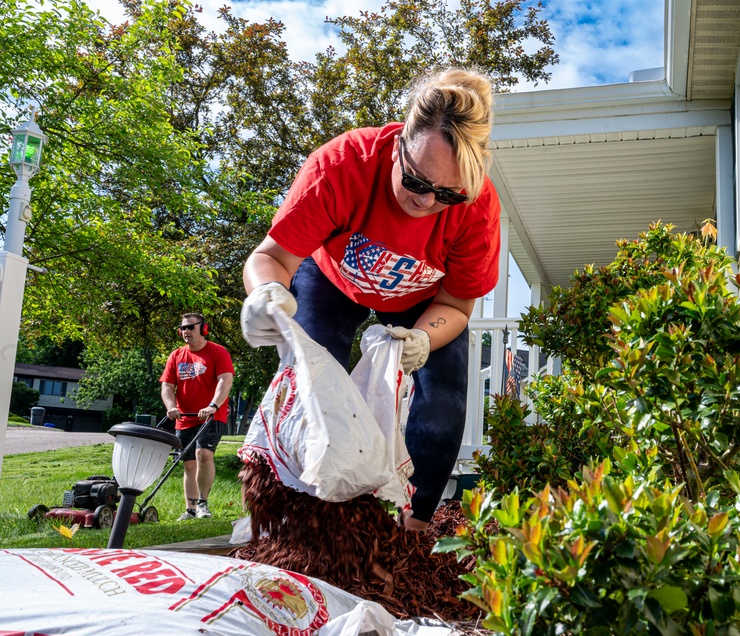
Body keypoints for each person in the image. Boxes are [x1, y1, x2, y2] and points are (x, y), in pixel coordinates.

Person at [240, 68, 500, 532]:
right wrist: (265, 292)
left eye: (446, 195)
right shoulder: (341, 166)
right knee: (314, 375)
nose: (426, 204)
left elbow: (458, 307)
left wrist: (422, 337)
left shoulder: (477, 207)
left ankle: (415, 525)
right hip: (333, 279)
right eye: (418, 182)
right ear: (399, 142)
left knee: (444, 398)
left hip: (422, 302)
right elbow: (272, 257)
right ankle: (299, 512)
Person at [161, 313, 235, 520]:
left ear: (203, 329)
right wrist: (171, 406)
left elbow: (225, 381)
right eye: (183, 328)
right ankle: (190, 509)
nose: (186, 332)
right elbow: (167, 386)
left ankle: (203, 503)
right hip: (184, 417)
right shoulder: (176, 356)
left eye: (190, 327)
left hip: (211, 415)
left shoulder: (218, 352)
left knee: (204, 454)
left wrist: (213, 405)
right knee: (188, 462)